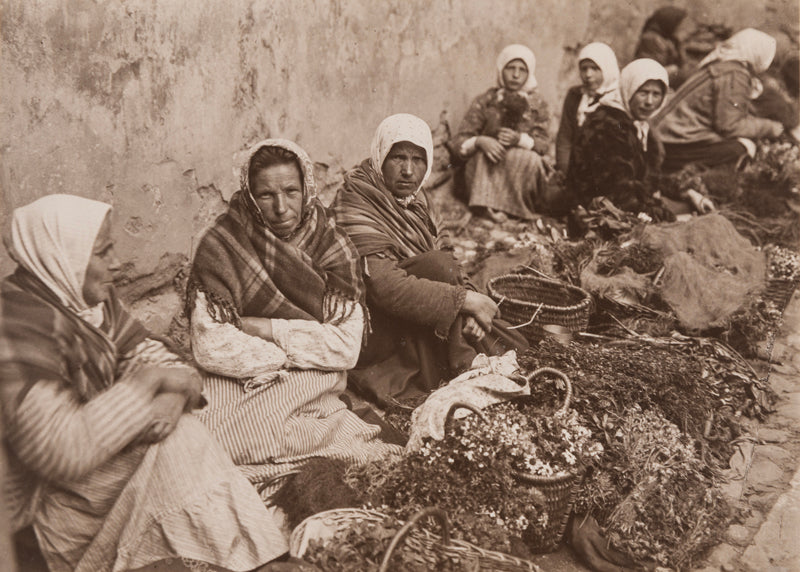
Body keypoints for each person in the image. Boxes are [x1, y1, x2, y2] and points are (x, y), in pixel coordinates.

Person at [0, 194, 287, 572]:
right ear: (62, 258)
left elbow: (148, 351)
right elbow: (62, 449)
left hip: (90, 480)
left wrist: (174, 392)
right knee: (180, 444)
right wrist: (149, 385)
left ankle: (246, 555)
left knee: (180, 439)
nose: (116, 264)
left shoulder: (85, 303)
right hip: (45, 521)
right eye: (102, 253)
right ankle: (251, 557)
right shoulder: (15, 327)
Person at [187, 139, 401, 497]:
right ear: (249, 196)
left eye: (291, 191)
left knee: (270, 431)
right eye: (266, 195)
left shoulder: (334, 246)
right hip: (241, 372)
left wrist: (268, 329)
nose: (281, 208)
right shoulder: (222, 244)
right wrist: (282, 356)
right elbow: (210, 344)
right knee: (202, 435)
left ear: (307, 190)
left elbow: (346, 348)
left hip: (311, 376)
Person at [332, 113, 528, 406]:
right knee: (437, 267)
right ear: (380, 155)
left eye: (418, 159)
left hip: (421, 312)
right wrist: (466, 301)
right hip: (375, 328)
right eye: (398, 157)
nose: (409, 171)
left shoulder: (419, 200)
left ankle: (472, 359)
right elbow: (384, 288)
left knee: (510, 339)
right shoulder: (356, 199)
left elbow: (449, 256)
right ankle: (469, 365)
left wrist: (470, 302)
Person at [566, 58, 714, 221]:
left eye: (656, 94)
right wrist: (671, 218)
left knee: (694, 208)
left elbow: (647, 177)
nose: (649, 102)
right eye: (643, 93)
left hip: (627, 203)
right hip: (599, 211)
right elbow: (620, 196)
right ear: (629, 90)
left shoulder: (638, 124)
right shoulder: (608, 126)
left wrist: (687, 193)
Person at [653, 28, 785, 172]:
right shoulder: (735, 74)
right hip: (673, 144)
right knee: (741, 148)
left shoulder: (720, 64)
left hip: (664, 134)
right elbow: (729, 126)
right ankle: (683, 175)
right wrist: (770, 128)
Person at [453, 44, 551, 222]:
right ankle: (486, 207)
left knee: (531, 160)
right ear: (501, 70)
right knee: (482, 157)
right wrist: (480, 141)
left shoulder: (537, 103)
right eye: (510, 68)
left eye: (522, 70)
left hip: (520, 167)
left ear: (529, 73)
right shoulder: (487, 99)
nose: (515, 75)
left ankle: (516, 208)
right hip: (490, 161)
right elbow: (460, 141)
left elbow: (544, 144)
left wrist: (519, 140)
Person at [555, 42, 620, 172]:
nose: (588, 74)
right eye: (584, 69)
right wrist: (564, 170)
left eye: (595, 69)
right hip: (572, 169)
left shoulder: (617, 100)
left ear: (607, 69)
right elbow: (565, 137)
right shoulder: (575, 95)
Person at [634, 6, 691, 87]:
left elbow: (683, 64)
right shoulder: (651, 39)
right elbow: (652, 71)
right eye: (679, 24)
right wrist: (675, 69)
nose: (682, 27)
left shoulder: (672, 39)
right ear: (669, 23)